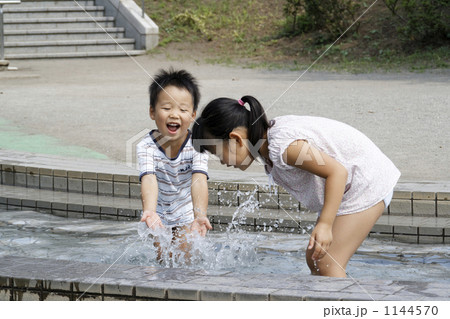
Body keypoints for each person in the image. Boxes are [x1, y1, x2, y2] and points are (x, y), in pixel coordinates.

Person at [191, 95, 400, 277]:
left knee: (327, 263)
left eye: (219, 154)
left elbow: (337, 172)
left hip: (366, 183)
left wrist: (325, 225)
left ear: (236, 139)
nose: (224, 162)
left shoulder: (284, 147)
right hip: (350, 187)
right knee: (316, 259)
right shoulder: (268, 144)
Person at [136, 68, 212, 261]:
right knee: (163, 258)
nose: (174, 115)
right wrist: (150, 211)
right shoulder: (146, 146)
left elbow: (199, 180)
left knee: (184, 258)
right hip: (158, 211)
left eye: (183, 109)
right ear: (152, 112)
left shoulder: (197, 144)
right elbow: (149, 179)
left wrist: (200, 214)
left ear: (193, 114)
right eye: (167, 108)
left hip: (187, 209)